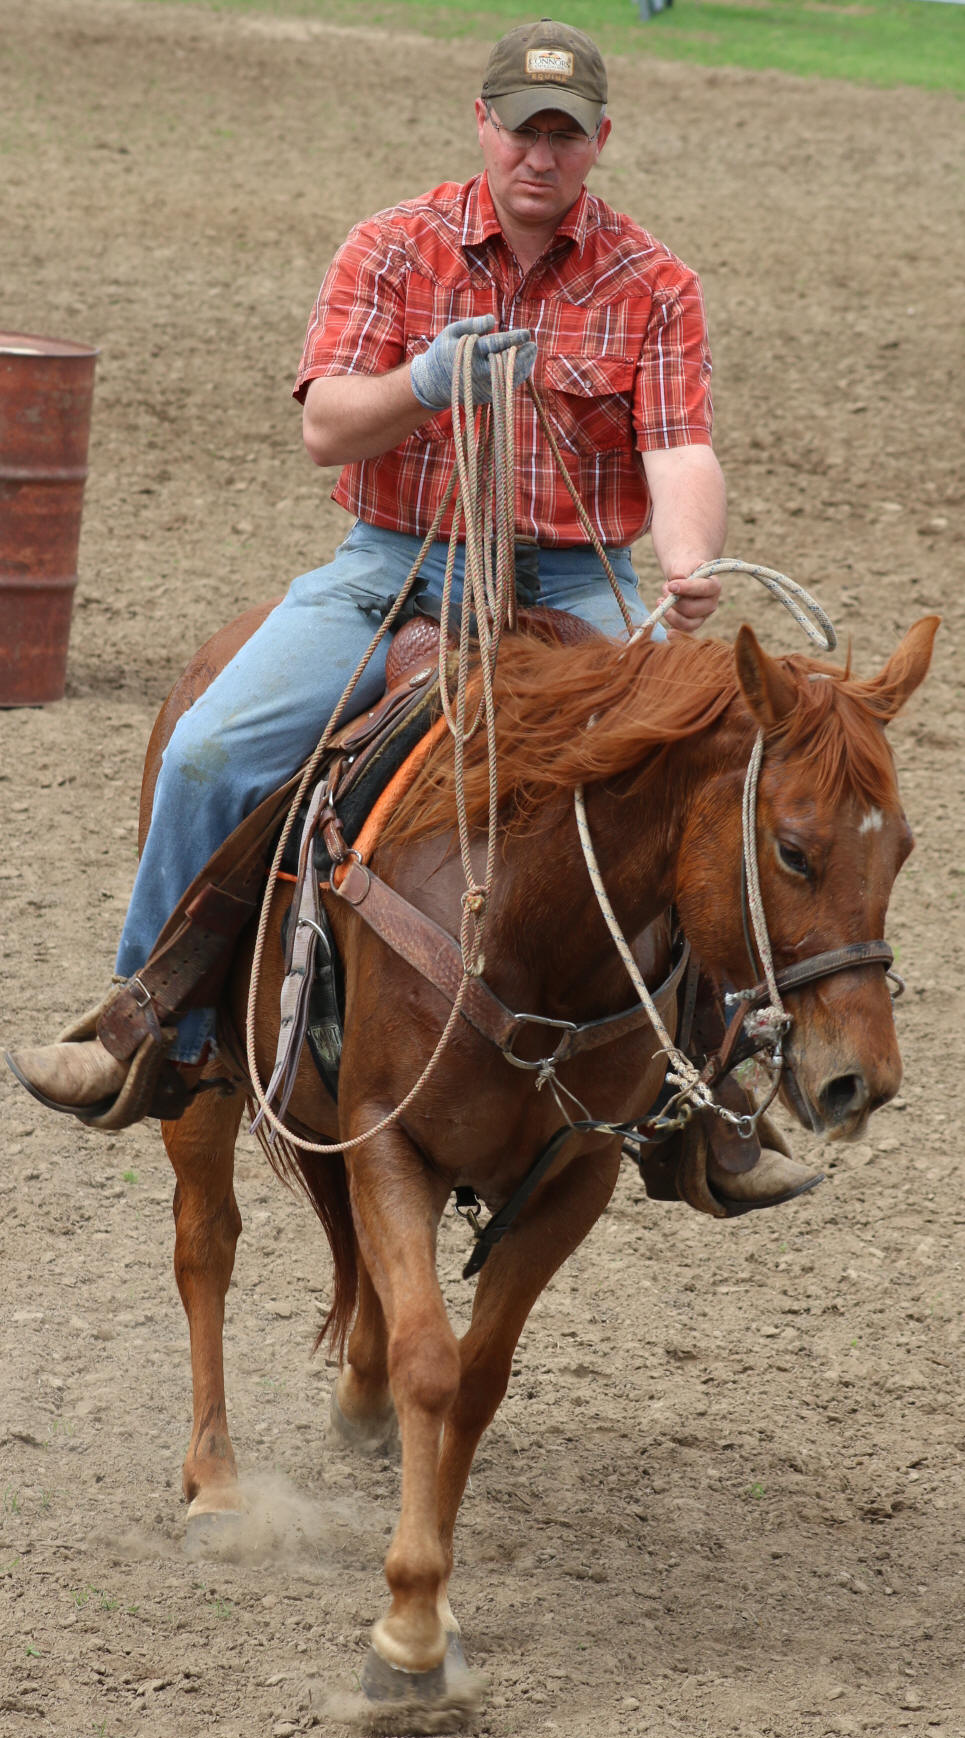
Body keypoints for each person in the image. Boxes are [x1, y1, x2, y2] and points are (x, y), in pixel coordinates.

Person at [9, 19, 808, 1209]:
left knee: (693, 774)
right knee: (209, 750)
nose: (540, 154)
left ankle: (709, 1087)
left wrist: (688, 560)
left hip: (570, 578)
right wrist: (424, 382)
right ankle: (152, 1021)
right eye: (522, 129)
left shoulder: (653, 283)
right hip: (390, 567)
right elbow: (325, 425)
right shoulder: (393, 247)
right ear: (482, 124)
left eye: (564, 135)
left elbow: (679, 447)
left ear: (598, 142)